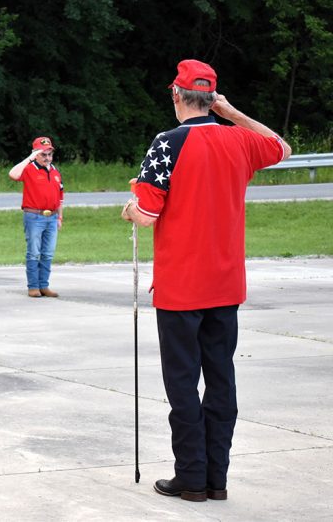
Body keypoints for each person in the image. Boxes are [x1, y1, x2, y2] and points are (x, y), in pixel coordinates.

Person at [121, 59, 290, 503]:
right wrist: (233, 113)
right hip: (226, 284)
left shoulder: (166, 144)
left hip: (181, 287)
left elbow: (146, 214)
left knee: (182, 383)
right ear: (213, 98)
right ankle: (217, 478)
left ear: (176, 95)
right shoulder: (240, 141)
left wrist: (129, 206)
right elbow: (281, 147)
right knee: (221, 381)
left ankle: (191, 477)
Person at [8, 136, 64, 298]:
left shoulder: (55, 171)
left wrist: (60, 217)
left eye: (49, 154)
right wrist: (30, 158)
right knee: (34, 252)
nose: (47, 158)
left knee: (48, 253)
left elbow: (60, 197)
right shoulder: (29, 168)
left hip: (52, 217)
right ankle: (33, 286)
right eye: (43, 154)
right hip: (34, 216)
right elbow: (12, 174)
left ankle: (44, 285)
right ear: (36, 154)